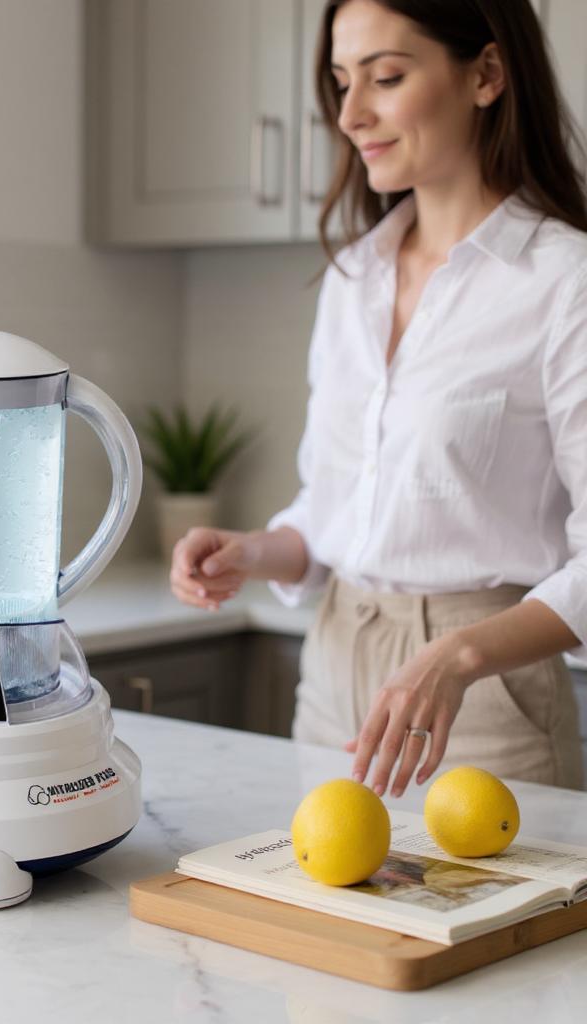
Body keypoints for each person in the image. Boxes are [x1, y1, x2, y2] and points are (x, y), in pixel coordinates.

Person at [170, 0, 587, 797]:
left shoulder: (565, 283)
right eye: (339, 82)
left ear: (487, 75)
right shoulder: (350, 281)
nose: (351, 114)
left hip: (486, 699)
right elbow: (335, 509)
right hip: (332, 685)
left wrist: (459, 654)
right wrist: (254, 551)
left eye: (386, 78)